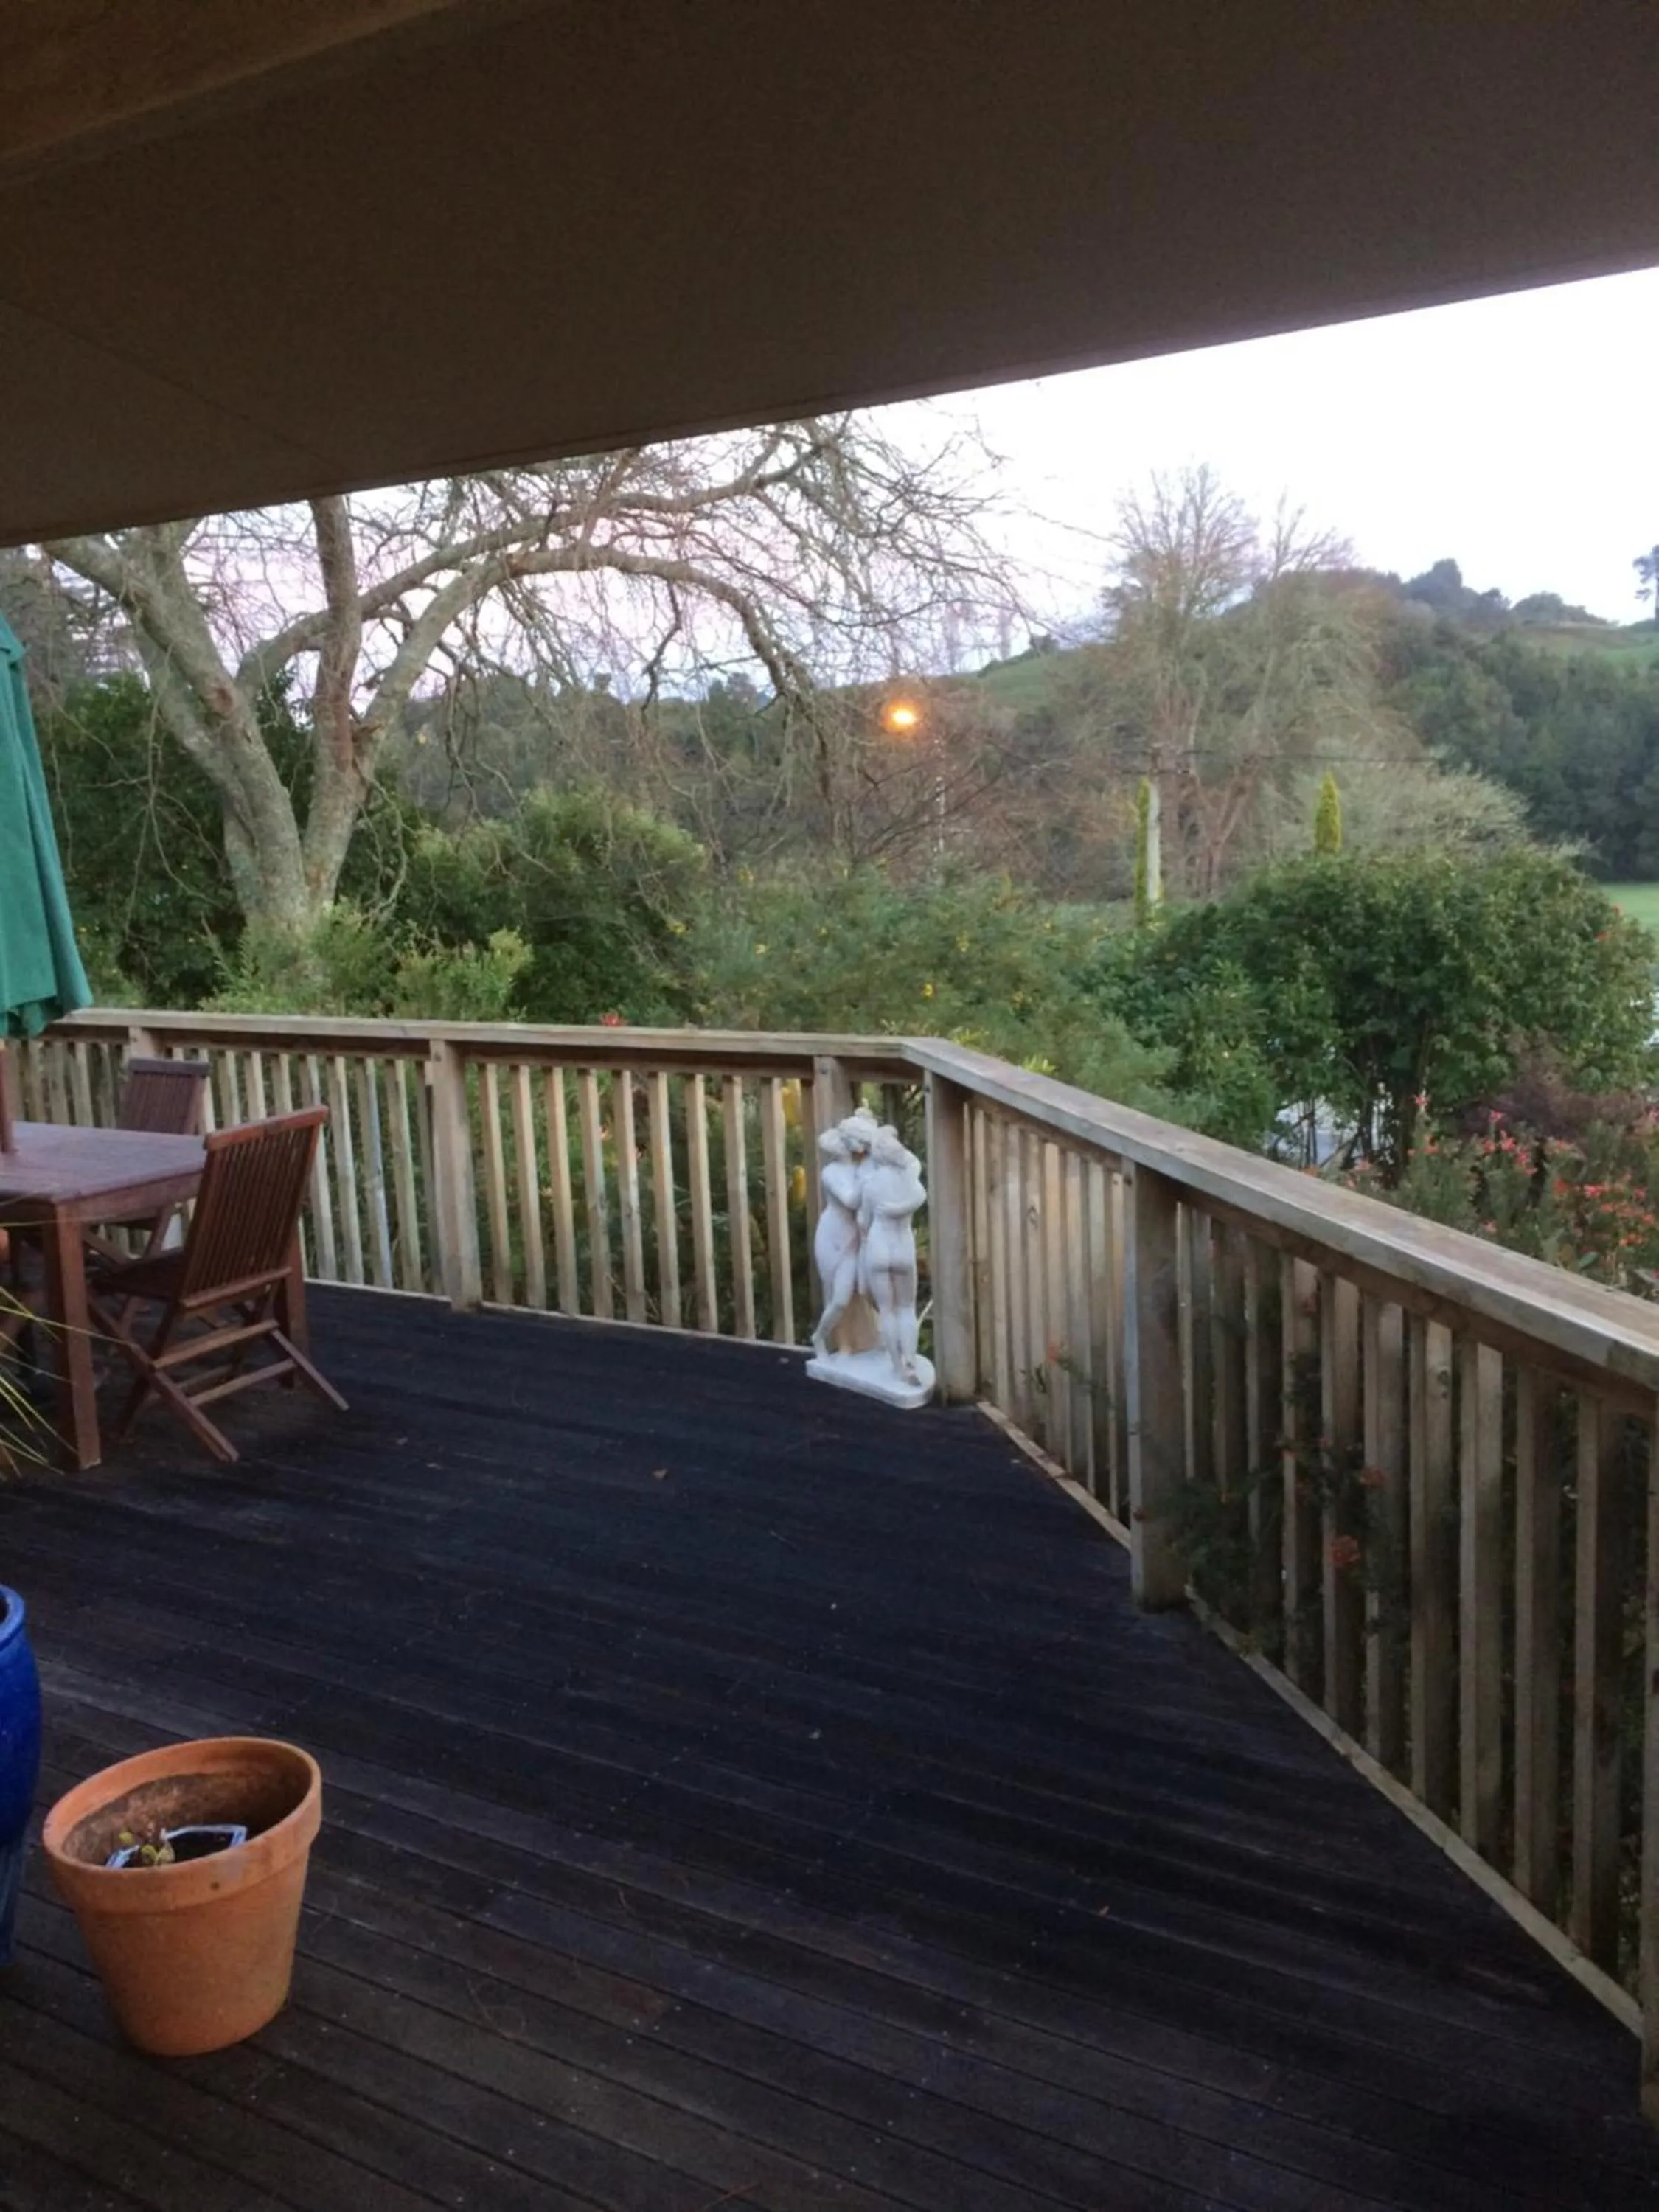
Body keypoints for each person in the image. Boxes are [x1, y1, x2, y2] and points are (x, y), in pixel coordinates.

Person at [858, 1124, 926, 1384]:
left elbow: (864, 1220)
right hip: (902, 1246)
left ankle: (896, 1366)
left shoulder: (871, 1184)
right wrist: (901, 1208)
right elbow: (920, 1194)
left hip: (878, 1245)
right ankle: (910, 1362)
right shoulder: (910, 1179)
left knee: (887, 1310)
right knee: (907, 1307)